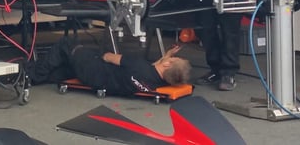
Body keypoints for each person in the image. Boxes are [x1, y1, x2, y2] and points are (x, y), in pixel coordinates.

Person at [27, 37, 191, 96]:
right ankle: (25, 72)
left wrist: (101, 53)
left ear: (168, 64)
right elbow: (153, 69)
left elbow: (109, 57)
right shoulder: (158, 82)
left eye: (174, 59)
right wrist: (166, 55)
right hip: (103, 81)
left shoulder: (137, 64)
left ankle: (34, 76)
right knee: (63, 68)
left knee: (67, 44)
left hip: (94, 69)